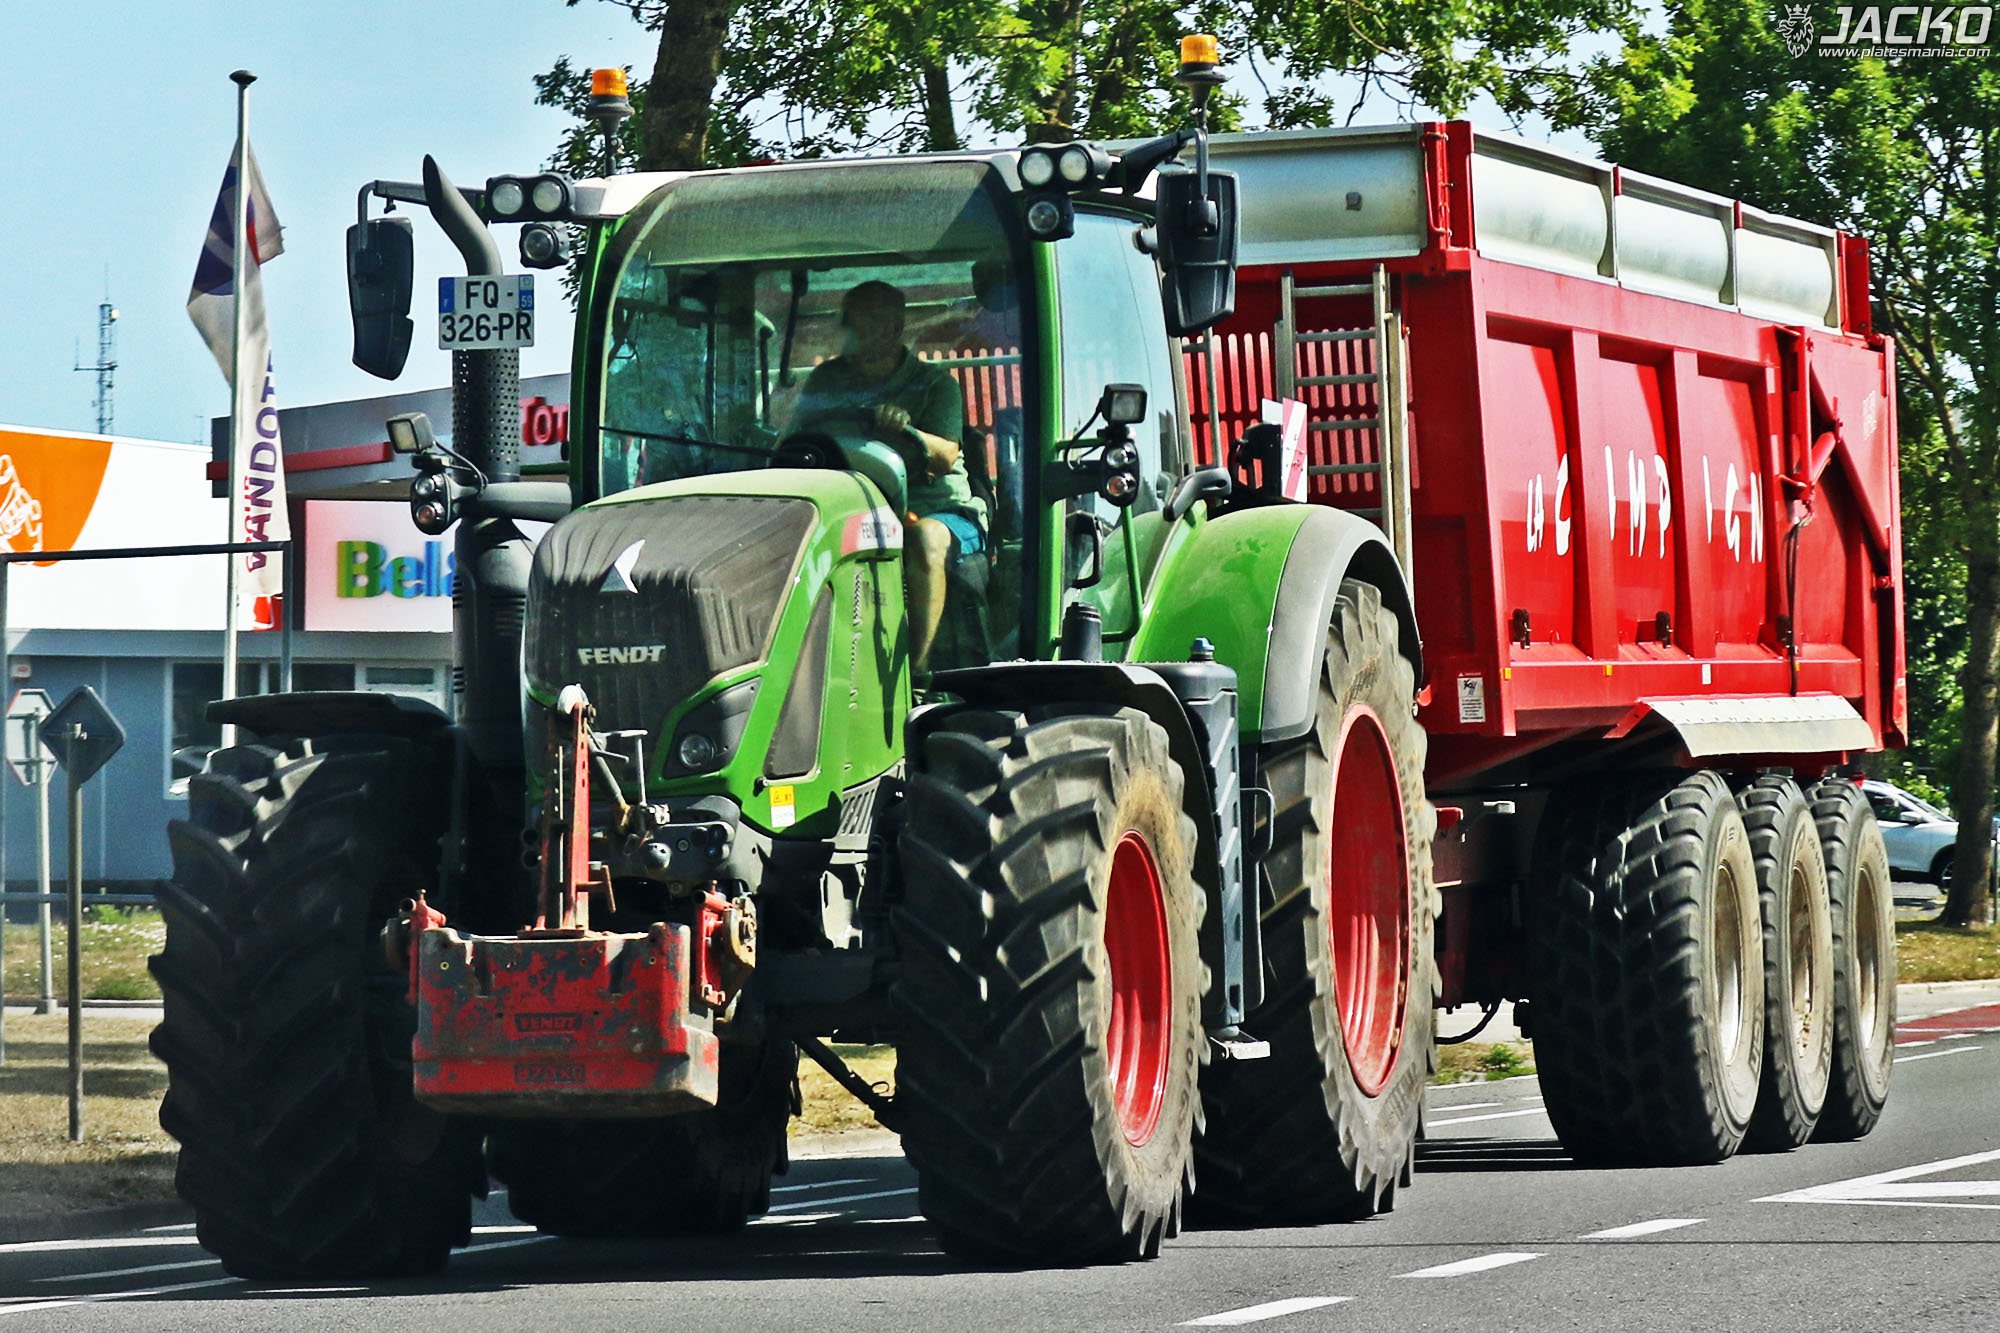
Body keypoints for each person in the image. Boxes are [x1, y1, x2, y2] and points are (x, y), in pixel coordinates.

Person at [795, 280, 985, 675]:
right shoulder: (825, 382)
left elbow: (947, 455)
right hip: (851, 505)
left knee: (924, 538)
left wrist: (906, 429)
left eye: (873, 324)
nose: (860, 334)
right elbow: (792, 441)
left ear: (895, 330)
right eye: (853, 324)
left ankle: (918, 673)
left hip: (936, 511)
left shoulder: (935, 386)